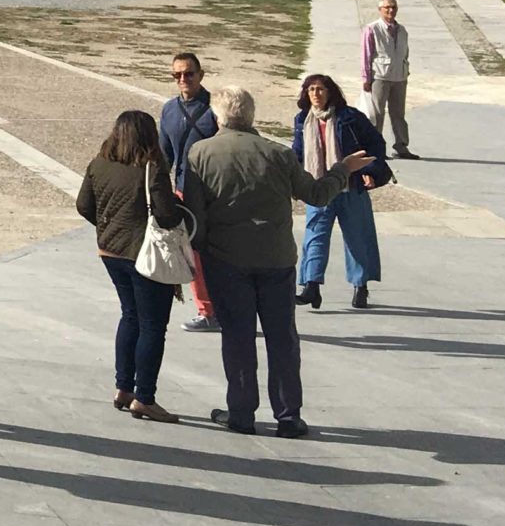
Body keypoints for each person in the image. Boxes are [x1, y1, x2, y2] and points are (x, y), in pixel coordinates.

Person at [185, 86, 373, 437]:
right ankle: (289, 415)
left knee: (238, 339)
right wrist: (342, 169)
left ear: (217, 117)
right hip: (276, 258)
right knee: (282, 338)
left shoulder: (200, 153)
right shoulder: (279, 154)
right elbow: (316, 194)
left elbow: (196, 217)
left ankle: (241, 412)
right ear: (251, 115)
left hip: (226, 259)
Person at [74, 111, 185, 422]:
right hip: (145, 254)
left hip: (111, 251)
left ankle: (123, 387)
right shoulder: (151, 168)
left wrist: (107, 227)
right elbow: (165, 214)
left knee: (130, 315)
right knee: (152, 325)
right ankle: (145, 396)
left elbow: (84, 204)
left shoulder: (99, 164)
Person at [292, 74, 393, 310]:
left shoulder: (350, 118)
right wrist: (293, 181)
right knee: (315, 236)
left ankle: (360, 287)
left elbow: (376, 144)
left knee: (357, 237)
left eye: (320, 89)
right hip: (318, 188)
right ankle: (311, 286)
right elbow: (297, 153)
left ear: (331, 92)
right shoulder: (302, 120)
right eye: (311, 90)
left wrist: (370, 170)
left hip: (350, 187)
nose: (316, 94)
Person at [160, 51, 222, 334]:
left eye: (189, 73)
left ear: (201, 75)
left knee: (219, 252)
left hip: (215, 192)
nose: (183, 79)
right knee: (192, 253)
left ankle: (222, 307)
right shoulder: (169, 110)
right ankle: (207, 310)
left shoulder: (217, 109)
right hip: (184, 191)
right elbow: (164, 155)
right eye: (177, 75)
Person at [359, 0, 416, 160]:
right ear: (380, 10)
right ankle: (376, 148)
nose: (391, 10)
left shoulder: (402, 30)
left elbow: (405, 52)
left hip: (399, 77)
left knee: (398, 114)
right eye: (387, 8)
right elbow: (366, 54)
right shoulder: (372, 29)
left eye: (393, 7)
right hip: (380, 76)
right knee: (377, 114)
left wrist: (406, 71)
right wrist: (366, 78)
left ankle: (402, 146)